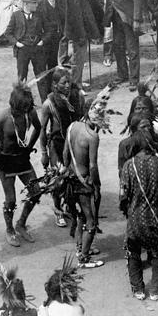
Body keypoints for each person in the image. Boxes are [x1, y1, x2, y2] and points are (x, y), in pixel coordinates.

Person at [120, 129, 158, 301]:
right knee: (156, 252)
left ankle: (138, 289)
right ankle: (154, 290)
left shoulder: (129, 165)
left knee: (132, 251)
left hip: (136, 219)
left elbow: (123, 197)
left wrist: (128, 212)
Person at [0, 84, 42, 247]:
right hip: (5, 161)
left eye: (26, 107)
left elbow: (38, 127)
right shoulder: (2, 117)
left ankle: (21, 223)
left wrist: (30, 146)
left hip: (22, 158)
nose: (23, 111)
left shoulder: (30, 112)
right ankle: (9, 230)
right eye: (21, 108)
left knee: (36, 191)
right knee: (11, 200)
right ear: (13, 104)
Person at [64, 89, 109, 268]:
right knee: (90, 221)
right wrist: (95, 184)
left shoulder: (72, 127)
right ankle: (83, 258)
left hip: (70, 179)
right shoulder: (92, 136)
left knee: (80, 216)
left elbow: (65, 156)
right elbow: (92, 165)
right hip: (84, 183)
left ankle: (80, 247)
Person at [39, 68, 81, 228]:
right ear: (55, 84)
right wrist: (43, 152)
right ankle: (57, 210)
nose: (68, 85)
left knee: (74, 176)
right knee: (57, 178)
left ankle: (70, 206)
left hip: (73, 143)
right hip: (56, 145)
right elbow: (42, 130)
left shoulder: (76, 98)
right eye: (64, 83)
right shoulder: (48, 103)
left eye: (69, 82)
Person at [103, 0, 144, 90]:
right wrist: (107, 18)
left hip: (128, 18)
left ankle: (134, 78)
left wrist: (137, 19)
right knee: (117, 47)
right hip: (115, 18)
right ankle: (123, 74)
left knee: (132, 48)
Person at [62, 0, 100, 86]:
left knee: (80, 57)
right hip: (78, 32)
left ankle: (78, 80)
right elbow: (76, 17)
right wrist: (82, 34)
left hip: (81, 29)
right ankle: (75, 84)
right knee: (79, 58)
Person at [3, 0, 46, 95]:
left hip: (37, 49)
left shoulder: (40, 15)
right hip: (23, 50)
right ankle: (22, 102)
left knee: (41, 77)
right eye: (34, 3)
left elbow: (49, 31)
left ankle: (45, 101)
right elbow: (7, 33)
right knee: (22, 78)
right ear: (26, 4)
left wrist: (42, 41)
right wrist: (17, 43)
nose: (37, 5)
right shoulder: (16, 15)